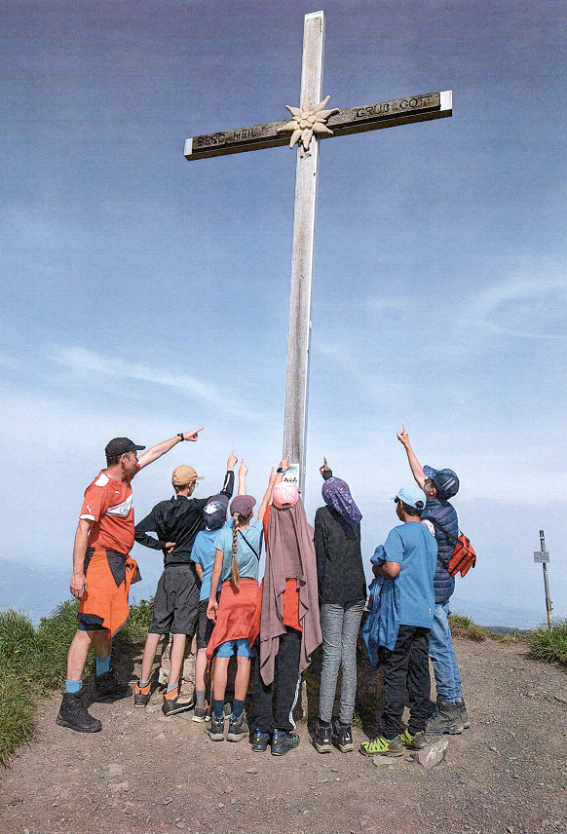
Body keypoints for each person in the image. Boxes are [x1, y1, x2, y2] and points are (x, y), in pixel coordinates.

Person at [56, 429, 203, 733]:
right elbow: (82, 529)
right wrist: (78, 572)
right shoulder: (100, 489)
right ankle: (70, 704)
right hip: (98, 562)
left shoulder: (124, 478)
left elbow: (154, 454)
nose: (138, 459)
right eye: (133, 455)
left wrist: (179, 437)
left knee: (105, 625)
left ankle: (104, 680)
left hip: (116, 562)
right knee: (87, 628)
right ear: (123, 459)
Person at [132, 453, 236, 716]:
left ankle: (142, 689)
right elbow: (225, 494)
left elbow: (136, 531)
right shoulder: (196, 507)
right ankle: (172, 692)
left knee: (155, 630)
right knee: (180, 632)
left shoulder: (161, 509)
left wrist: (161, 545)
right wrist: (230, 469)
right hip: (189, 574)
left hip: (167, 573)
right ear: (190, 487)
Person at [397, 424, 468, 734]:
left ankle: (450, 710)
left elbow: (420, 556)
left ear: (433, 491)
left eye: (429, 481)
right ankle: (457, 707)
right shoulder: (446, 509)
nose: (424, 480)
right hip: (446, 586)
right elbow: (419, 474)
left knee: (439, 649)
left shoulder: (429, 518)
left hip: (434, 593)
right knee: (446, 646)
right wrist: (407, 445)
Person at [250, 457, 322, 757]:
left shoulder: (269, 524)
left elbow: (264, 508)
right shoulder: (307, 532)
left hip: (268, 605)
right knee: (287, 672)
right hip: (294, 608)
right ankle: (281, 733)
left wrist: (277, 475)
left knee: (263, 663)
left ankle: (259, 732)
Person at [360, 485, 437, 757]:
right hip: (424, 613)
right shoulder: (430, 537)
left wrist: (377, 568)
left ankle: (390, 736)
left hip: (401, 613)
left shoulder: (398, 533)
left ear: (402, 507)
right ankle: (416, 730)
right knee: (419, 670)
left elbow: (392, 570)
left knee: (394, 672)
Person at [205, 461, 270, 743]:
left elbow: (217, 571)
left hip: (228, 597)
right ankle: (237, 720)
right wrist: (273, 480)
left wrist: (212, 599)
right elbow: (264, 505)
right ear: (251, 514)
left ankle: (217, 720)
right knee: (244, 658)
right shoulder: (255, 532)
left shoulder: (222, 534)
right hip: (250, 597)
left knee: (222, 655)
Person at [311, 459, 366, 754]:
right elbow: (338, 493)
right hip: (356, 593)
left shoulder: (322, 515)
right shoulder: (354, 517)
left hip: (332, 593)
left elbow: (320, 558)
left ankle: (323, 728)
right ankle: (344, 730)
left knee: (331, 657)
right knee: (348, 657)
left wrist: (316, 595)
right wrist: (329, 476)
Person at [190, 460, 247, 722]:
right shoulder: (227, 531)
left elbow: (200, 568)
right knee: (222, 650)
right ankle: (219, 702)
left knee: (203, 648)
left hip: (205, 597)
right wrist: (234, 471)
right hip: (223, 597)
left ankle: (200, 704)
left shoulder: (200, 537)